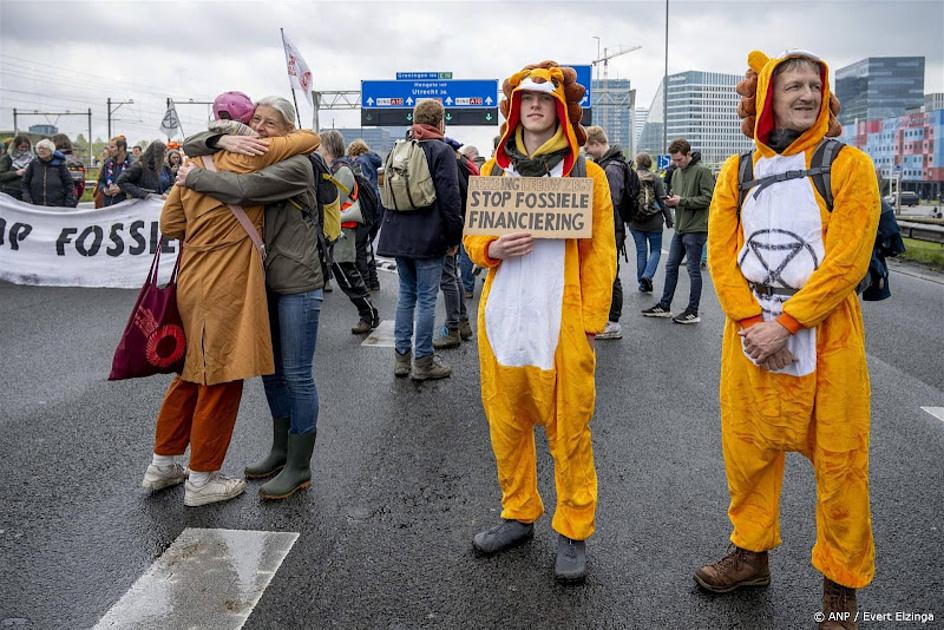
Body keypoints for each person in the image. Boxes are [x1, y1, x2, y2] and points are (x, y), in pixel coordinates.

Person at [697, 50, 880, 630]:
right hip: (750, 338)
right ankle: (750, 555)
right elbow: (721, 257)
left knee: (840, 463)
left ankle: (840, 588)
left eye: (813, 86)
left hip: (827, 340)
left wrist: (789, 322)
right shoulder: (738, 170)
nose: (805, 95)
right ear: (767, 97)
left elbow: (847, 260)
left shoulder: (849, 166)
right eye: (792, 86)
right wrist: (754, 324)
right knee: (747, 452)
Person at [464, 61, 616, 583]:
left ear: (560, 109)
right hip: (504, 318)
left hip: (561, 320)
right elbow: (471, 241)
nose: (534, 106)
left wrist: (591, 321)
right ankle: (518, 511)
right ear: (513, 110)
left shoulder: (585, 174)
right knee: (506, 426)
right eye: (526, 99)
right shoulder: (492, 173)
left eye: (545, 99)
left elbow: (602, 254)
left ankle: (573, 528)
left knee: (570, 430)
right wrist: (492, 248)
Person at [142, 108, 319, 507]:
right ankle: (202, 478)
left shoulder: (194, 164)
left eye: (267, 124)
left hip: (195, 279)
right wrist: (220, 145)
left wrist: (200, 164)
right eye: (254, 122)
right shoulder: (255, 155)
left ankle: (163, 464)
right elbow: (305, 139)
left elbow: (172, 224)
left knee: (190, 374)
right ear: (241, 128)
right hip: (229, 282)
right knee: (220, 376)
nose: (259, 131)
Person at [377, 98, 463, 380]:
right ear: (440, 122)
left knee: (406, 297)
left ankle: (401, 359)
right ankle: (423, 361)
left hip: (399, 235)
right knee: (427, 299)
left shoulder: (400, 148)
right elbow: (451, 200)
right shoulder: (442, 151)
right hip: (429, 236)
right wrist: (454, 237)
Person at [641, 138, 714, 324]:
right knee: (671, 266)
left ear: (689, 154)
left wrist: (682, 201)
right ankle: (665, 306)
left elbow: (709, 198)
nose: (676, 163)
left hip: (696, 228)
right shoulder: (675, 173)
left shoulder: (703, 171)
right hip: (681, 227)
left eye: (679, 159)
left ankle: (692, 311)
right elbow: (678, 196)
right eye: (674, 160)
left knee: (693, 270)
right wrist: (671, 200)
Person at [319, 130, 380, 334]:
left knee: (348, 278)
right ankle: (368, 314)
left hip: (341, 232)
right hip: (337, 231)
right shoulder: (338, 168)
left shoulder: (341, 170)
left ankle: (369, 314)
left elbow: (333, 199)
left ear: (327, 147)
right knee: (346, 276)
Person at [584, 125, 638, 340]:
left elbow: (610, 201)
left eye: (588, 147)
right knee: (606, 273)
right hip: (612, 227)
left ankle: (613, 322)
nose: (586, 151)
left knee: (610, 275)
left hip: (610, 229)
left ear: (597, 143)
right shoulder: (610, 164)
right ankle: (607, 319)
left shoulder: (612, 168)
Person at [433, 136, 478, 349]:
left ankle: (453, 329)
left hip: (448, 226)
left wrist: (452, 234)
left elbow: (453, 197)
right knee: (453, 275)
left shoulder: (449, 161)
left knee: (448, 278)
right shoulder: (460, 160)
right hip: (458, 224)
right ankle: (463, 323)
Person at [629, 153, 673, 293]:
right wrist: (669, 219)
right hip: (654, 221)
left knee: (641, 251)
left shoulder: (632, 177)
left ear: (637, 163)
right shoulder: (655, 178)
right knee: (655, 250)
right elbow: (662, 200)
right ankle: (647, 276)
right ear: (649, 164)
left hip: (635, 222)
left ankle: (642, 283)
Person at [347, 139, 383, 292]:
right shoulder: (373, 161)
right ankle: (374, 281)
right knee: (367, 245)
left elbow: (361, 185)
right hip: (377, 207)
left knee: (360, 247)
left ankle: (365, 282)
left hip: (364, 208)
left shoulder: (359, 163)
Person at [21, 139, 77, 207]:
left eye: (44, 148)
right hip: (36, 206)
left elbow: (69, 185)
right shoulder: (34, 164)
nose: (41, 150)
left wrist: (69, 204)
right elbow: (25, 182)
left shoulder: (60, 165)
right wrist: (27, 198)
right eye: (39, 148)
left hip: (57, 206)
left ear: (51, 150)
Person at [97, 135, 133, 206]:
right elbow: (101, 181)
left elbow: (136, 185)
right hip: (108, 205)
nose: (109, 150)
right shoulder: (107, 163)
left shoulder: (132, 164)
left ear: (121, 148)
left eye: (112, 147)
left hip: (126, 207)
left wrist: (121, 189)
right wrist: (105, 190)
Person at [52, 133, 87, 201]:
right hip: (72, 196)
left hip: (57, 197)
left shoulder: (52, 159)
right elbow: (79, 181)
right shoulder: (76, 160)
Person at [0, 135, 33, 201]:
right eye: (21, 147)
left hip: (27, 193)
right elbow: (1, 176)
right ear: (15, 146)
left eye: (26, 147)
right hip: (9, 192)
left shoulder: (33, 159)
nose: (24, 149)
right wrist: (16, 173)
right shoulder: (7, 158)